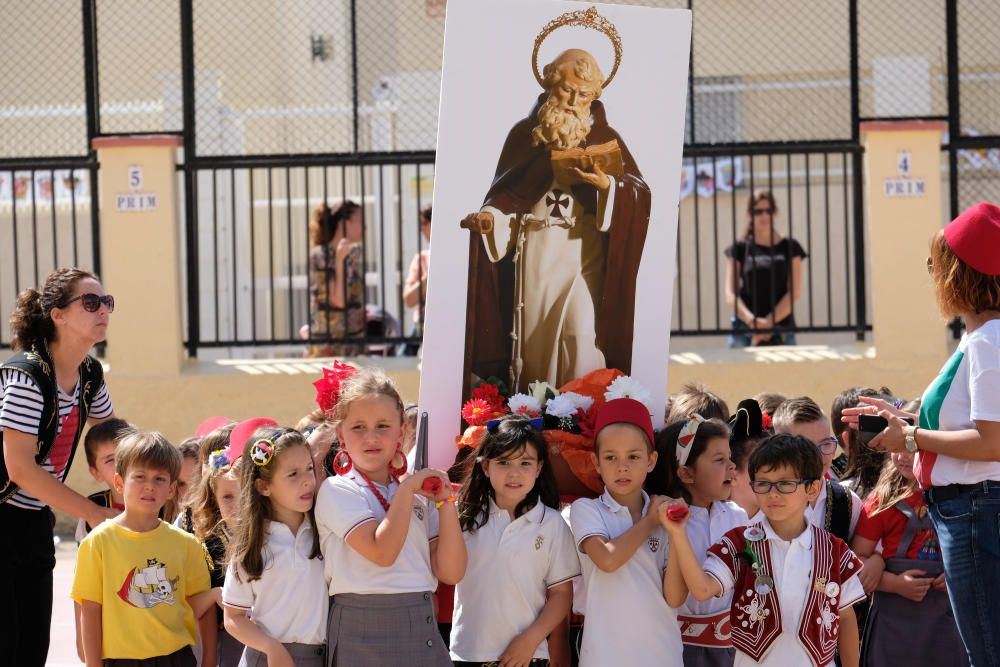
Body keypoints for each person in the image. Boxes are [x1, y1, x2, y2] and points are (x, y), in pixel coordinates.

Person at [844, 202, 1000, 666]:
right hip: (970, 509)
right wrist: (904, 419)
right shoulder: (984, 338)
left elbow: (992, 442)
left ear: (960, 274)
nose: (933, 276)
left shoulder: (989, 341)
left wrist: (911, 439)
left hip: (974, 510)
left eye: (937, 264)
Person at [462, 48, 651, 393]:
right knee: (538, 343)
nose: (574, 100)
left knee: (581, 332)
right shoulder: (524, 136)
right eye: (567, 90)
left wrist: (607, 186)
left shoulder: (604, 137)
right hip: (537, 250)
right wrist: (491, 220)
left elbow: (639, 192)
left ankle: (581, 411)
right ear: (550, 84)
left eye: (584, 95)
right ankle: (541, 413)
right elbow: (505, 197)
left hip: (585, 253)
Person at [663, 434, 866, 667]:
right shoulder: (739, 543)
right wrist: (678, 534)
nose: (773, 493)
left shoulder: (834, 551)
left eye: (785, 483)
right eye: (763, 483)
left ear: (812, 488)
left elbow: (846, 618)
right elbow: (701, 589)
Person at [0, 268, 116, 667]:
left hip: (33, 523)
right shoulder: (26, 376)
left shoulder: (88, 374)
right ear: (58, 315)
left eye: (106, 303)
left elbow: (112, 438)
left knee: (33, 649)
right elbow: (20, 469)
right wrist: (92, 512)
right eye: (90, 302)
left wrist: (158, 472)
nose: (102, 310)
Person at [315, 368, 466, 666]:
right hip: (360, 631)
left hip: (421, 625)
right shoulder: (337, 489)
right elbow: (382, 552)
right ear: (340, 433)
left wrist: (446, 502)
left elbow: (451, 572)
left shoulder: (417, 492)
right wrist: (409, 488)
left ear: (402, 431)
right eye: (358, 427)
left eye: (383, 425)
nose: (371, 437)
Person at [71, 431, 217, 667]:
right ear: (119, 483)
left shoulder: (187, 544)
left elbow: (203, 608)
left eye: (159, 479)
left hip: (177, 659)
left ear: (171, 490)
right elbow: (89, 611)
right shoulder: (96, 543)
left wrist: (209, 661)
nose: (149, 486)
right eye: (139, 477)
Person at [450, 416, 579, 666]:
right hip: (468, 652)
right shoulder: (463, 517)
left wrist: (531, 640)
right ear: (486, 467)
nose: (514, 472)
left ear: (539, 468)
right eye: (503, 462)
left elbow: (562, 593)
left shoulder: (552, 523)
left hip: (528, 656)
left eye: (525, 462)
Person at [568, 398, 684, 667]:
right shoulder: (586, 510)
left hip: (662, 656)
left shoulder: (664, 514)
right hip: (604, 657)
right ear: (596, 463)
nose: (622, 467)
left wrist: (676, 532)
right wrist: (650, 521)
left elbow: (676, 598)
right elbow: (607, 560)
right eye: (611, 457)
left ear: (651, 461)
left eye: (633, 456)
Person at [851, 450, 967, 666]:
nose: (904, 456)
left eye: (913, 449)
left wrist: (956, 576)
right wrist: (894, 584)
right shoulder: (882, 500)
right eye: (897, 447)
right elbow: (856, 562)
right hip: (894, 619)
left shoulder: (961, 496)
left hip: (946, 620)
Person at [223, 427, 326, 667]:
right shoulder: (251, 545)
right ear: (263, 487)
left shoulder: (325, 530)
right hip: (268, 658)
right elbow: (233, 617)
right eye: (293, 474)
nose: (307, 481)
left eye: (309, 469)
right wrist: (271, 648)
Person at [651, 415, 747, 666]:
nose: (731, 467)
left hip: (732, 651)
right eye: (719, 460)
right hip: (677, 651)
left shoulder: (737, 517)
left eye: (729, 458)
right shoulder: (663, 523)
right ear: (686, 473)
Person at [187, 425, 244, 667]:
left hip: (255, 630)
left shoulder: (267, 525)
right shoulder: (193, 525)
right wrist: (214, 596)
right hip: (213, 631)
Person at [772, 397, 863, 543]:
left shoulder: (848, 502)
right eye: (805, 446)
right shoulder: (763, 500)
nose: (818, 456)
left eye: (826, 443)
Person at [725, 191, 806, 347]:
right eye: (758, 211)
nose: (763, 216)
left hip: (781, 328)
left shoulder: (790, 247)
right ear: (750, 214)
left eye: (768, 210)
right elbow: (730, 294)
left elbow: (794, 293)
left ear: (775, 213)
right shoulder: (740, 248)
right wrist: (752, 322)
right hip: (744, 330)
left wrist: (769, 323)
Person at [305, 200, 365, 357]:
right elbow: (338, 301)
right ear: (344, 224)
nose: (365, 227)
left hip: (354, 345)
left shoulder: (354, 255)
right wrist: (339, 261)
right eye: (360, 221)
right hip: (329, 348)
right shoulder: (319, 256)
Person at [728, 399, 769, 520]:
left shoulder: (781, 522)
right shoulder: (710, 520)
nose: (772, 478)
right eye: (761, 470)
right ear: (732, 476)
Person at [402, 205, 432, 356]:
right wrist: (430, 276)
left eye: (424, 224)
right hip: (423, 327)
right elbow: (408, 300)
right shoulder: (422, 259)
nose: (421, 231)